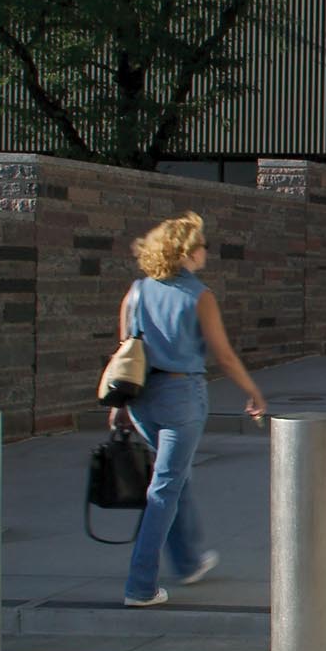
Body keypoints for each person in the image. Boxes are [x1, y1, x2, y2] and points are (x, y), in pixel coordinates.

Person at [108, 211, 267, 607]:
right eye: (201, 246)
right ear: (187, 252)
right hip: (183, 395)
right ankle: (140, 586)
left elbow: (126, 352)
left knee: (173, 477)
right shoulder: (200, 295)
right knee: (165, 487)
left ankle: (189, 560)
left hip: (144, 398)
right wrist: (253, 392)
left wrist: (120, 405)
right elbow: (224, 356)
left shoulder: (138, 291)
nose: (205, 252)